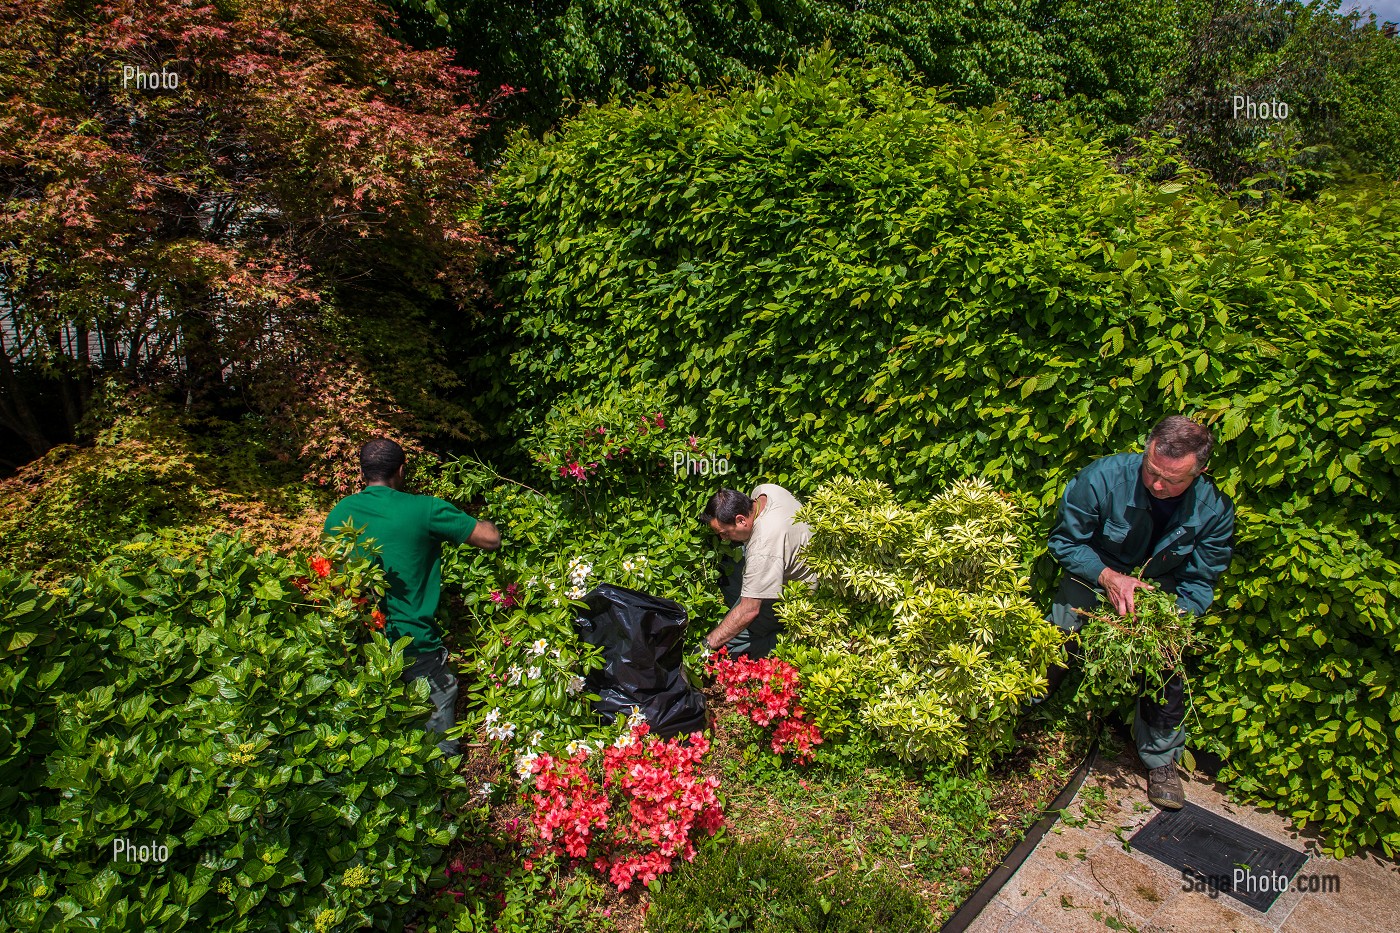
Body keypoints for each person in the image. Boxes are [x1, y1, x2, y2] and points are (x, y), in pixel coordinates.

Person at [1045, 415, 1235, 810]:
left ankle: (1160, 759)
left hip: (1157, 595)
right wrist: (1109, 577)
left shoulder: (1214, 510)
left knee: (1167, 664)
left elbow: (1200, 581)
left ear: (1200, 471)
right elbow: (1065, 543)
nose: (1158, 485)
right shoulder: (1102, 477)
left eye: (1174, 480)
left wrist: (1167, 620)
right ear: (1146, 449)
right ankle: (1021, 707)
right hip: (1095, 577)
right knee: (1056, 635)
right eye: (1151, 472)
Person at [324, 438, 501, 755]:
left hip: (360, 644)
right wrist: (489, 518)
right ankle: (441, 787)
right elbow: (489, 539)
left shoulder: (340, 514)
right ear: (401, 470)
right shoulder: (424, 509)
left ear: (363, 472)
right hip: (416, 644)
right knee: (436, 742)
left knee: (377, 738)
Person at [700, 485, 818, 658]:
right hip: (803, 561)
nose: (723, 538)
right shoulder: (766, 491)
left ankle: (791, 641)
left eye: (724, 533)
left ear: (741, 520)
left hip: (799, 594)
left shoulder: (762, 548)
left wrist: (707, 645)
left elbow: (750, 609)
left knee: (730, 646)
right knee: (731, 574)